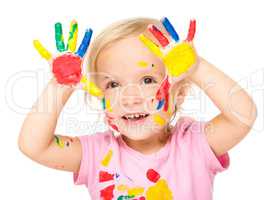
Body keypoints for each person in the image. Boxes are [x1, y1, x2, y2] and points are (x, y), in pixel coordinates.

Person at [18, 17, 257, 199]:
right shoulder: (97, 154)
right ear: (99, 96)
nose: (130, 98)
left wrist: (195, 68)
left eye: (147, 80)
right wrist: (61, 85)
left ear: (180, 93)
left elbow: (242, 116)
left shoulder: (193, 144)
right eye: (113, 84)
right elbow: (34, 146)